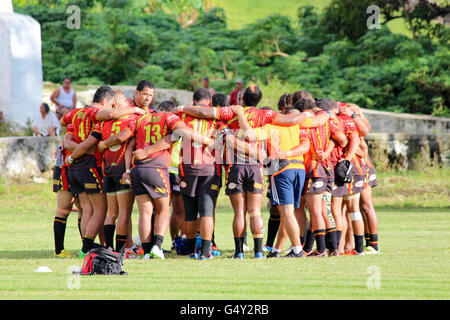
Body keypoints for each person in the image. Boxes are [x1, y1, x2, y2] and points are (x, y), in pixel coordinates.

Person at [61, 86, 146, 258]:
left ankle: (99, 247)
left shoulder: (81, 116)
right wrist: (136, 110)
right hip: (106, 167)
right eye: (125, 103)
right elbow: (120, 134)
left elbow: (66, 132)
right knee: (113, 212)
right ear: (110, 102)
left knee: (91, 210)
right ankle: (111, 249)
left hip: (89, 168)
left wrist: (73, 157)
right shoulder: (115, 117)